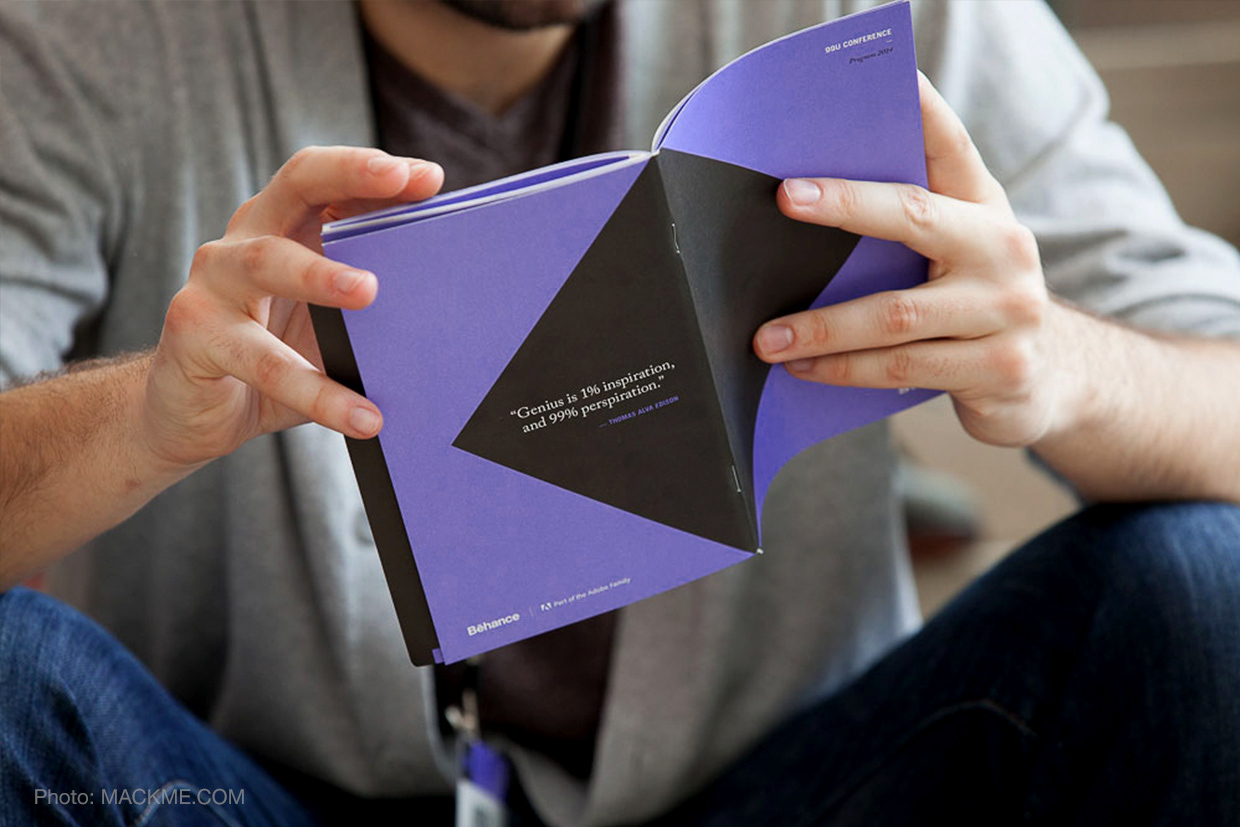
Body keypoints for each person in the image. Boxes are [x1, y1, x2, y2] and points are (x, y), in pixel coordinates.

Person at [1, 1, 1238, 825]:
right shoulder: (94, 37)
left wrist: (1058, 364)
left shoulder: (884, 25)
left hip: (797, 784)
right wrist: (143, 419)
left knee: (1196, 581)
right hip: (246, 792)